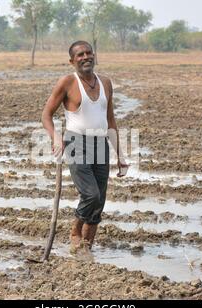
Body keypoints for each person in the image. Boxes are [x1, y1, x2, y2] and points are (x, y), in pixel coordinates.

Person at [41, 40, 129, 255]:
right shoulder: (67, 82)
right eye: (80, 55)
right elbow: (46, 115)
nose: (86, 57)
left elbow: (110, 120)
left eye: (89, 53)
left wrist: (121, 154)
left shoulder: (105, 83)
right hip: (76, 142)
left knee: (100, 199)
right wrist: (56, 137)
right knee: (91, 195)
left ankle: (87, 246)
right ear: (72, 61)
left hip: (101, 143)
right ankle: (75, 231)